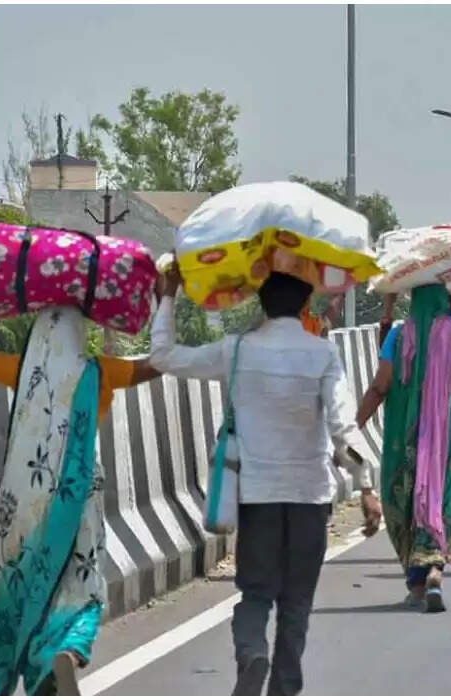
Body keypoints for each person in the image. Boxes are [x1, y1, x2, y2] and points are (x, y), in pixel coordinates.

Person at [151, 269, 381, 696]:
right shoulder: (322, 354)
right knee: (297, 602)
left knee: (255, 594)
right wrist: (365, 485)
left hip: (257, 498)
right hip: (310, 497)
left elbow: (163, 356)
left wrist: (169, 295)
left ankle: (252, 651)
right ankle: (284, 687)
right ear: (305, 303)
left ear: (261, 302)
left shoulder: (236, 350)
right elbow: (342, 428)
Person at [0, 251, 160, 696]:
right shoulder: (98, 372)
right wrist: (164, 298)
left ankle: (0, 664)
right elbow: (158, 363)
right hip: (79, 498)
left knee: (21, 583)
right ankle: (66, 650)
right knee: (83, 590)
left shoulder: (21, 370)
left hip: (23, 498)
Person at [357, 269, 451, 612]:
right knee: (442, 496)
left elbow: (380, 387)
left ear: (412, 300)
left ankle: (417, 584)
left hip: (407, 428)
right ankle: (434, 571)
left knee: (404, 497)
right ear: (444, 298)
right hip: (450, 424)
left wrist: (354, 426)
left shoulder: (398, 336)